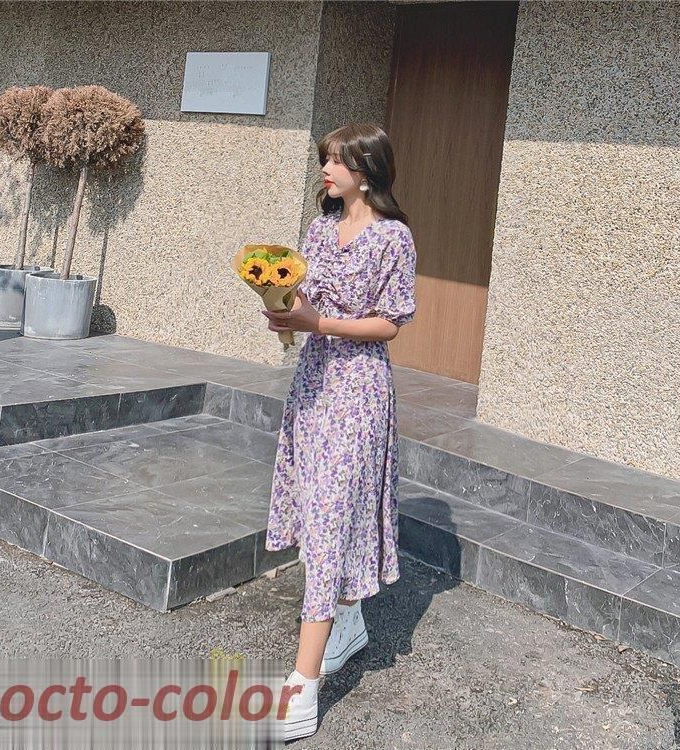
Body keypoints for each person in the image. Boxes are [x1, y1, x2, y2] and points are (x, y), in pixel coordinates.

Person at [262, 122, 417, 742]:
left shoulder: (394, 238)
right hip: (314, 381)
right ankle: (348, 621)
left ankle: (303, 684)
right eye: (325, 159)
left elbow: (390, 325)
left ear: (366, 170)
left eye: (335, 161)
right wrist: (284, 314)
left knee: (331, 517)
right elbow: (303, 305)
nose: (325, 170)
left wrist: (318, 323)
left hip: (358, 391)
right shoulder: (318, 230)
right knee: (319, 507)